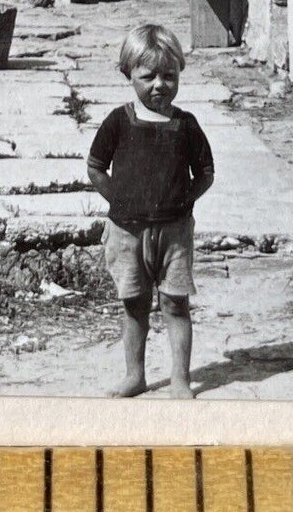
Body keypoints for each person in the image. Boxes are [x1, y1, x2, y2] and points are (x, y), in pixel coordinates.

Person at [85, 23, 215, 398]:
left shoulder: (186, 125)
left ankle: (180, 379)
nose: (159, 84)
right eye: (148, 76)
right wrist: (118, 201)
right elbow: (95, 167)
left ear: (179, 75)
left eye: (169, 76)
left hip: (173, 233)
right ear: (128, 75)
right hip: (127, 232)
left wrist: (183, 200)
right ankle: (135, 375)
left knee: (175, 304)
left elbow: (205, 173)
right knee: (134, 304)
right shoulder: (118, 122)